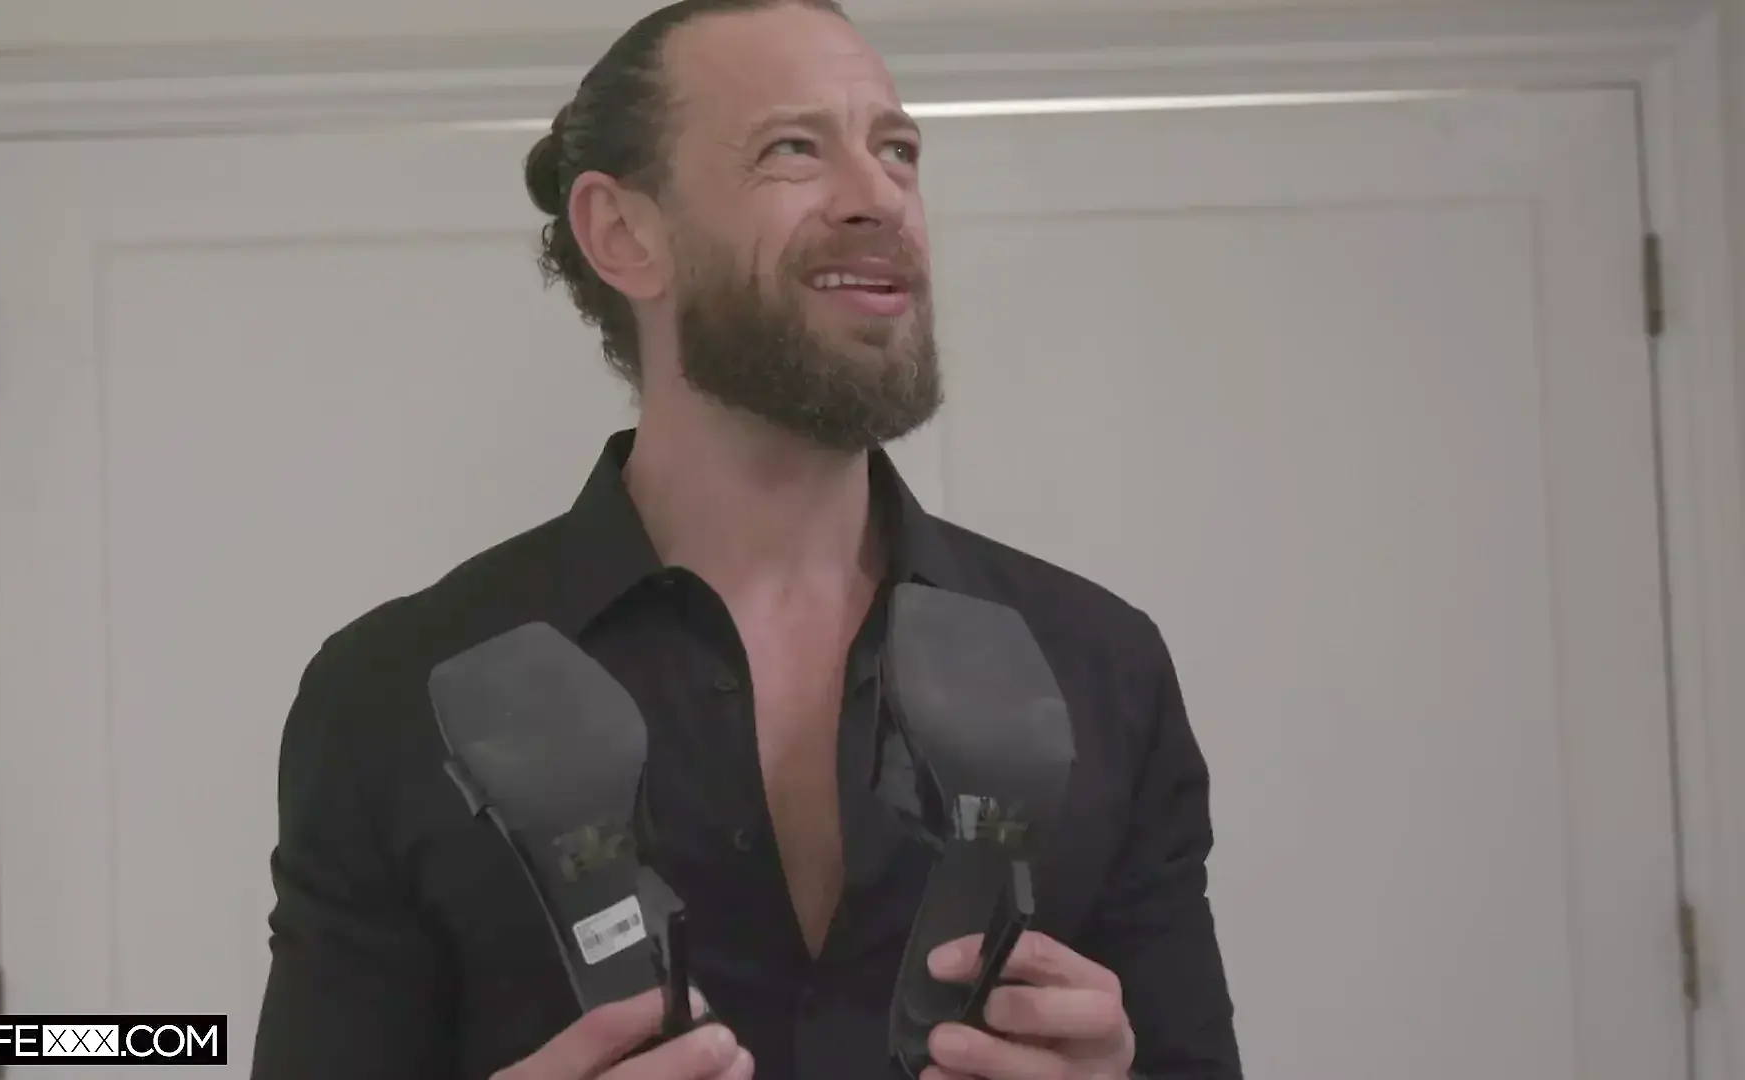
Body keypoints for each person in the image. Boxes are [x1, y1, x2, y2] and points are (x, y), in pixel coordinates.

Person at [248, 1, 1242, 1078]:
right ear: (623, 233)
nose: (880, 197)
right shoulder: (387, 694)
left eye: (897, 151)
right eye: (793, 149)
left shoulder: (1103, 666)